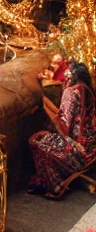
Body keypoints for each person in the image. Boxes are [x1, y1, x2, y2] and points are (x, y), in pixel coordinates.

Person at [28, 61, 96, 198]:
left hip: (80, 153)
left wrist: (51, 115)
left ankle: (55, 186)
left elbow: (64, 130)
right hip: (92, 150)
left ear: (70, 77)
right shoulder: (90, 92)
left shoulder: (70, 93)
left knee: (36, 140)